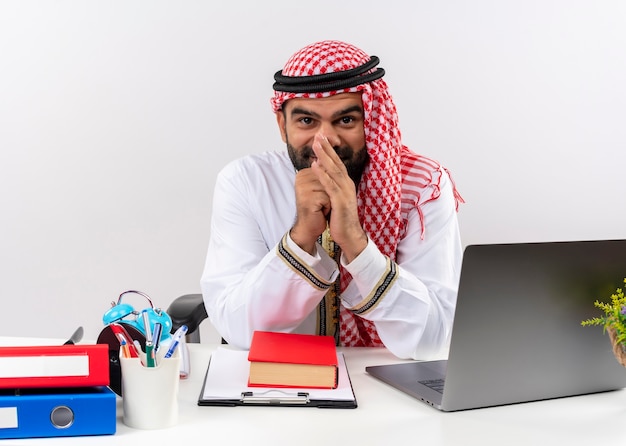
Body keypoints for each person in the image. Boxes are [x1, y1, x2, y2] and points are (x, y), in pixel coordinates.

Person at [200, 40, 464, 360]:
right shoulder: (246, 182)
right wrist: (300, 238)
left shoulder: (422, 186)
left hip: (385, 380)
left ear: (372, 120)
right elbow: (238, 328)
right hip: (282, 382)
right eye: (307, 121)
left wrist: (356, 243)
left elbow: (432, 341)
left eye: (346, 120)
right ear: (282, 125)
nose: (326, 141)